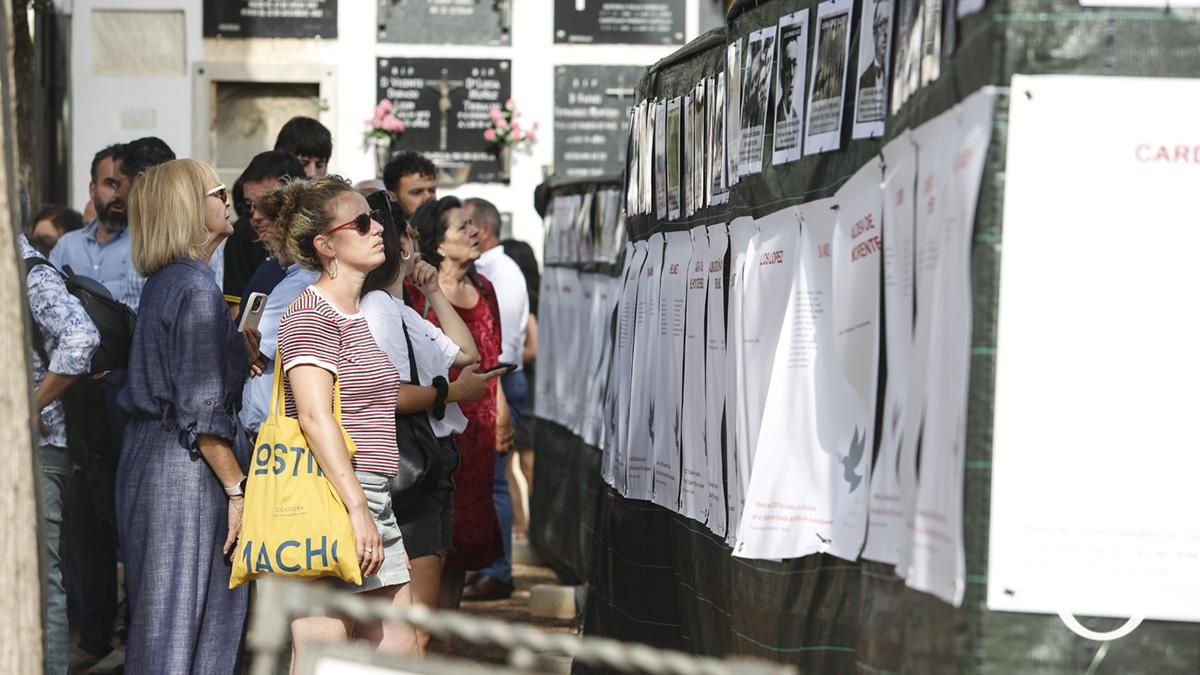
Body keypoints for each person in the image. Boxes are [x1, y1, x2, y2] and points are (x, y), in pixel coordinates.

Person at [274, 175, 417, 664]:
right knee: (324, 653)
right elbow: (315, 417)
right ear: (326, 244)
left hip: (371, 495)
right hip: (330, 496)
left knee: (398, 652)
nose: (376, 227)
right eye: (360, 222)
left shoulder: (356, 311)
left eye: (373, 218)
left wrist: (370, 509)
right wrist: (357, 509)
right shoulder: (311, 314)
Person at [116, 159, 249, 673]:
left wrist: (234, 346)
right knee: (184, 623)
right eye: (218, 191)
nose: (227, 200)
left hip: (155, 454)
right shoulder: (195, 287)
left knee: (164, 621)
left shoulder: (168, 281)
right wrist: (237, 490)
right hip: (185, 467)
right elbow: (201, 408)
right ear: (189, 208)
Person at [359, 192, 501, 653]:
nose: (414, 243)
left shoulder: (400, 309)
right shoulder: (378, 309)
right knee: (412, 627)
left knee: (421, 620)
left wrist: (435, 292)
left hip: (431, 462)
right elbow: (391, 395)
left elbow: (466, 353)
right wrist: (453, 393)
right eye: (407, 235)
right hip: (408, 466)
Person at [404, 196, 509, 610]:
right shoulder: (415, 295)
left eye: (472, 224)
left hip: (480, 430)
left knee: (465, 536)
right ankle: (423, 630)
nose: (474, 231)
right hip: (436, 428)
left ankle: (446, 627)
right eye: (462, 226)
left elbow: (494, 355)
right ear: (439, 244)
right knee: (436, 535)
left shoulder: (485, 289)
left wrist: (502, 410)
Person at [19, 182, 101, 675]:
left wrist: (28, 407)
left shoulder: (31, 274)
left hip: (39, 449)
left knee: (38, 576)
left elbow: (81, 338)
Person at [461, 198, 526, 602]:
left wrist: (495, 396)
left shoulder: (498, 274)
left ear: (483, 229)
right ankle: (487, 566)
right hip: (487, 382)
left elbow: (501, 345)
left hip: (498, 382)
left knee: (495, 480)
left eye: (468, 223)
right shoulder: (486, 272)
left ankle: (498, 571)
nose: (466, 232)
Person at [237, 186, 321, 438]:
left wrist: (246, 353)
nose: (267, 239)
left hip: (273, 427)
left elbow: (250, 350)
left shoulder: (299, 282)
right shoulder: (296, 276)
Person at [221, 152, 307, 309]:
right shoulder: (268, 266)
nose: (256, 216)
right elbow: (238, 316)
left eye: (268, 204)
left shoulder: (321, 267)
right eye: (249, 205)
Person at [499, 238, 539, 542]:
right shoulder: (534, 297)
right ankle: (524, 526)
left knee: (520, 463)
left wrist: (504, 360)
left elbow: (532, 348)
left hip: (525, 386)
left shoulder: (528, 304)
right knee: (516, 464)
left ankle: (527, 527)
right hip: (529, 387)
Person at [383, 151, 437, 218]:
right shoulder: (378, 224)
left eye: (432, 190)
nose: (427, 198)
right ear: (392, 196)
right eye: (416, 192)